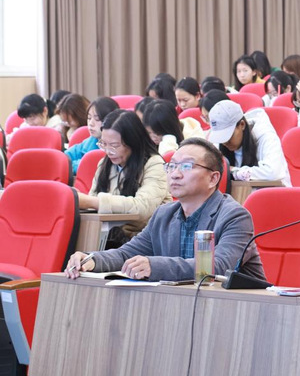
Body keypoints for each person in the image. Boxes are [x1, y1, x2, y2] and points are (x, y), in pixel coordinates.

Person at [65, 138, 265, 283]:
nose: (175, 174)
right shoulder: (164, 214)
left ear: (213, 178)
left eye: (186, 166)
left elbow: (217, 268)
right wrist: (91, 259)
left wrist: (154, 265)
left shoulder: (234, 216)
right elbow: (126, 254)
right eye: (171, 166)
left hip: (237, 310)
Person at [82, 110, 171, 243]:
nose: (108, 151)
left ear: (132, 142)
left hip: (145, 240)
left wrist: (91, 202)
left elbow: (142, 208)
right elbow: (93, 207)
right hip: (109, 237)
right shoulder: (104, 164)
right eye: (103, 144)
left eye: (114, 146)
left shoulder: (154, 164)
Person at [207, 100, 291, 186]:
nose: (225, 142)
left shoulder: (267, 138)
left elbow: (273, 173)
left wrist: (234, 171)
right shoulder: (221, 144)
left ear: (242, 125)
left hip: (274, 191)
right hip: (240, 192)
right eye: (221, 138)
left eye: (228, 136)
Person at [65, 97, 120, 175]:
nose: (91, 123)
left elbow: (89, 165)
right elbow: (63, 158)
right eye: (89, 118)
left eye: (97, 119)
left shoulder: (117, 146)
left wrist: (72, 165)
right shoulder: (91, 141)